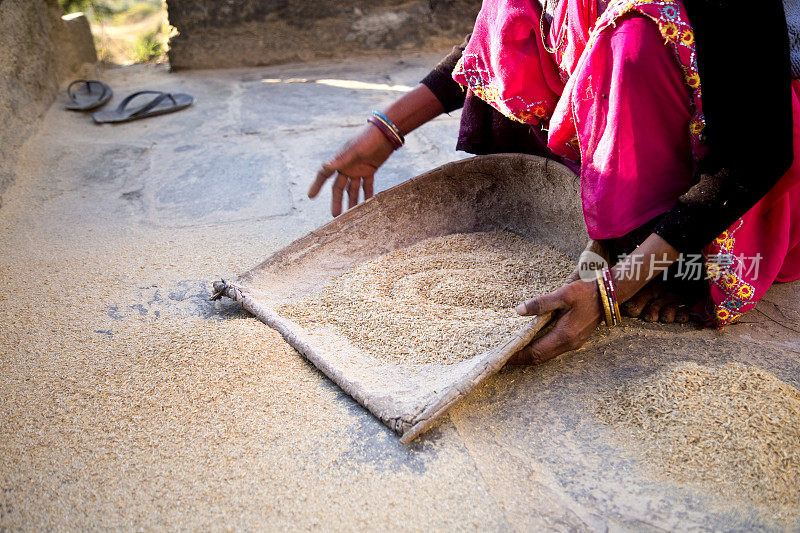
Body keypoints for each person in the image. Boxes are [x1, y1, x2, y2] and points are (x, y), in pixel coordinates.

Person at [309, 0, 800, 364]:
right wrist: (386, 130)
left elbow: (758, 153)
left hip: (733, 149)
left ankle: (671, 263)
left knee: (636, 41)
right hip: (630, 139)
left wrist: (613, 290)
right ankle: (618, 226)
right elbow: (503, 33)